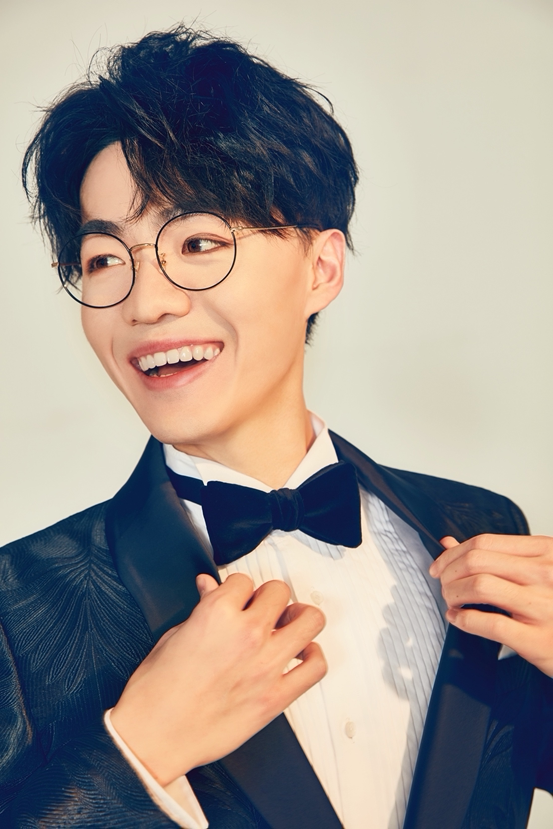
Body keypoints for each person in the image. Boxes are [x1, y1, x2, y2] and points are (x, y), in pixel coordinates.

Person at [1, 24, 552, 829]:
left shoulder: (480, 527)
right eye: (104, 260)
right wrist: (139, 750)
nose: (145, 302)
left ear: (320, 268)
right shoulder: (17, 605)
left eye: (197, 242)